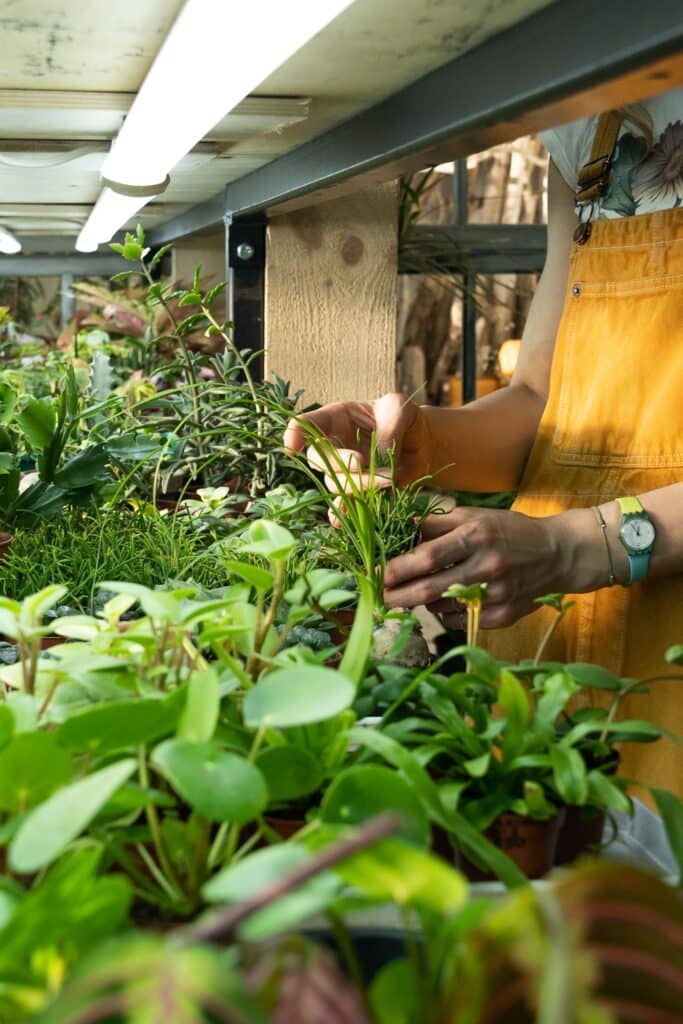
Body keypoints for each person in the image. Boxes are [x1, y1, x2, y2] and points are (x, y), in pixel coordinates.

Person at [285, 88, 683, 798]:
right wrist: (416, 441)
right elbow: (538, 398)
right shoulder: (591, 124)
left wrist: (570, 546)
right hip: (557, 644)